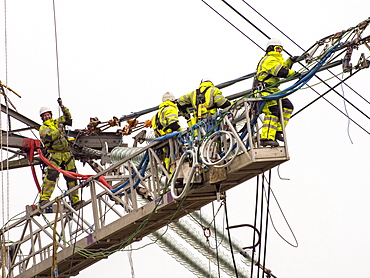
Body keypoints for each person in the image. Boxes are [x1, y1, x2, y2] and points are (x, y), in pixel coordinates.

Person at [253, 38, 299, 147]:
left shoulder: (275, 60)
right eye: (277, 48)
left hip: (273, 90)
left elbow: (282, 67)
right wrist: (295, 74)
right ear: (271, 49)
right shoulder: (269, 59)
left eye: (281, 49)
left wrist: (290, 61)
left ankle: (277, 131)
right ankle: (266, 138)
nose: (279, 51)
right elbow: (280, 71)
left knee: (288, 106)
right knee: (272, 112)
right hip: (264, 91)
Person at [38, 98, 82, 209]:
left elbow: (68, 117)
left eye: (48, 114)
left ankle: (75, 201)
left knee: (72, 176)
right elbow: (50, 136)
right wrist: (59, 129)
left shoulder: (57, 122)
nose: (47, 117)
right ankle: (44, 199)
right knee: (51, 177)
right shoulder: (43, 128)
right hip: (55, 154)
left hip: (66, 153)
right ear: (42, 118)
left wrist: (62, 106)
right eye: (45, 116)